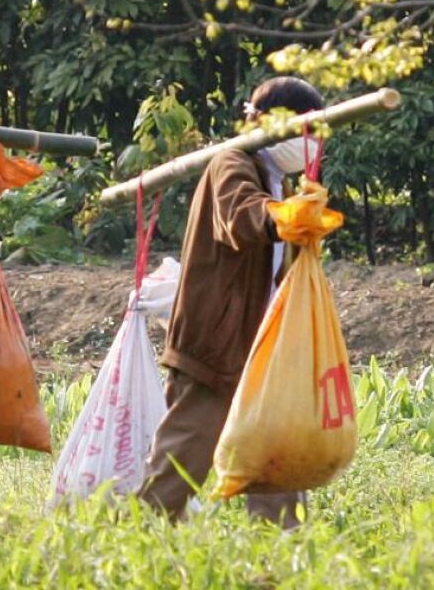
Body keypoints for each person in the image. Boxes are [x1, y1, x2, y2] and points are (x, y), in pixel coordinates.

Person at [136, 76, 325, 529]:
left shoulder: (278, 182)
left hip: (260, 343)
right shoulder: (233, 162)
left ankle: (282, 541)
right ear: (269, 124)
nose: (310, 144)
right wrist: (285, 217)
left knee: (275, 447)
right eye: (305, 130)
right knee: (187, 447)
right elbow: (241, 215)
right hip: (217, 340)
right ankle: (143, 532)